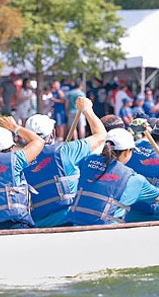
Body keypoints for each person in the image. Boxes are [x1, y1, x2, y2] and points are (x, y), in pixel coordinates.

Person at [68, 128, 159, 225]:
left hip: (75, 223)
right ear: (127, 152)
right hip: (106, 230)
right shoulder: (133, 179)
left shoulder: (86, 160)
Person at [22, 97, 107, 227]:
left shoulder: (18, 160)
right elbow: (101, 135)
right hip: (70, 218)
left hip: (38, 223)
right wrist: (87, 109)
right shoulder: (65, 151)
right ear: (54, 133)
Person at [0, 116, 44, 230]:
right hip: (15, 224)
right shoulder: (15, 160)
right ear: (11, 148)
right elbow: (39, 142)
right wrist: (15, 127)